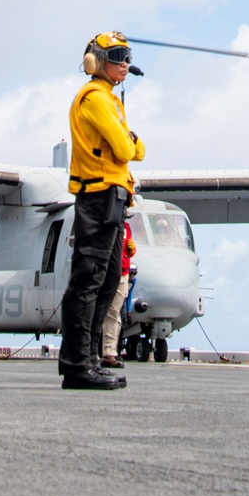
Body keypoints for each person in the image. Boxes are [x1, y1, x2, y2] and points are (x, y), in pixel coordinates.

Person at [59, 31, 145, 391]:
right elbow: (128, 150)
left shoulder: (110, 100)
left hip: (112, 197)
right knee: (88, 278)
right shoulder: (94, 98)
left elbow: (131, 149)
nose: (124, 62)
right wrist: (132, 141)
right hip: (96, 197)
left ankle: (91, 358)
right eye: (117, 55)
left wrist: (130, 143)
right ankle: (76, 365)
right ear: (96, 61)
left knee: (109, 279)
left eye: (126, 55)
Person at [100, 218, 137, 368]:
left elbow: (128, 252)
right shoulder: (108, 225)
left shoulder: (126, 227)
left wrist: (132, 250)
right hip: (110, 273)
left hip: (123, 274)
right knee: (112, 312)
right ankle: (108, 352)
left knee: (115, 314)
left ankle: (111, 351)